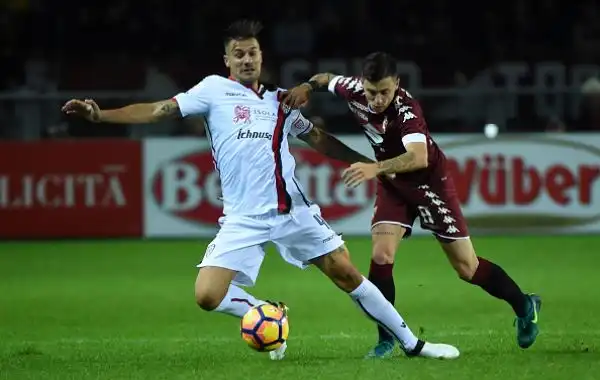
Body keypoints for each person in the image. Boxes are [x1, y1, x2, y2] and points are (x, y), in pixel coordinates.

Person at [61, 21, 459, 361]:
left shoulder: (280, 101)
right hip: (243, 218)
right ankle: (268, 312)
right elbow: (158, 109)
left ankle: (412, 343)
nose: (247, 59)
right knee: (206, 295)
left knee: (346, 273)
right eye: (238, 54)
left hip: (293, 212)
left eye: (252, 52)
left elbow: (317, 138)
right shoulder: (212, 91)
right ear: (227, 61)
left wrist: (368, 165)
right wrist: (102, 115)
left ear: (261, 55)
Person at [282, 52, 541, 359]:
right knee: (381, 254)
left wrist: (375, 168)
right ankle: (387, 338)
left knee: (466, 268)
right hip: (394, 185)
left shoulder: (407, 111)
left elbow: (419, 157)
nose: (377, 100)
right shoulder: (352, 89)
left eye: (385, 92)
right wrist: (308, 86)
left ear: (398, 85)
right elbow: (326, 78)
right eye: (371, 92)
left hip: (430, 186)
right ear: (362, 84)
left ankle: (525, 305)